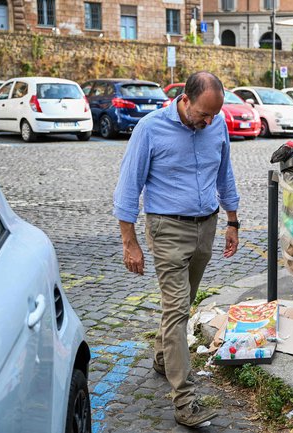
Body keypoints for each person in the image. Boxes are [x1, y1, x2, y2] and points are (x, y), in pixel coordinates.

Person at [113, 71, 240, 427]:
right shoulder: (151, 128)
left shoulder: (216, 125)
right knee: (177, 310)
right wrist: (130, 242)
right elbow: (128, 187)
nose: (209, 121)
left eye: (215, 114)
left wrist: (233, 221)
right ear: (184, 99)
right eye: (203, 113)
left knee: (184, 303)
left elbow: (224, 173)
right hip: (166, 227)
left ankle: (161, 357)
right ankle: (185, 401)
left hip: (207, 227)